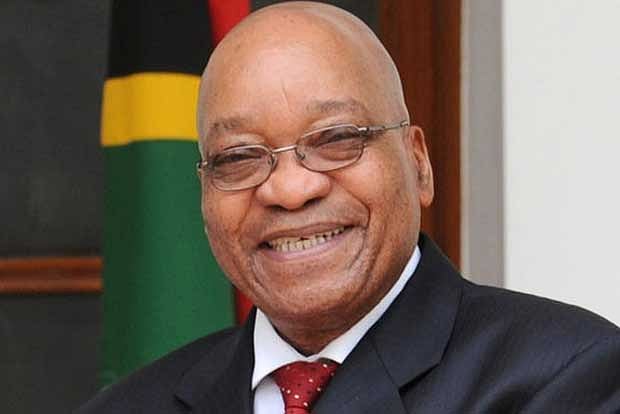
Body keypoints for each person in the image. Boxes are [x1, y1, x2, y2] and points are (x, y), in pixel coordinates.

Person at [77, 2, 620, 413]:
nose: (290, 190)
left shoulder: (564, 376)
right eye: (240, 157)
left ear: (419, 164)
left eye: (337, 139)